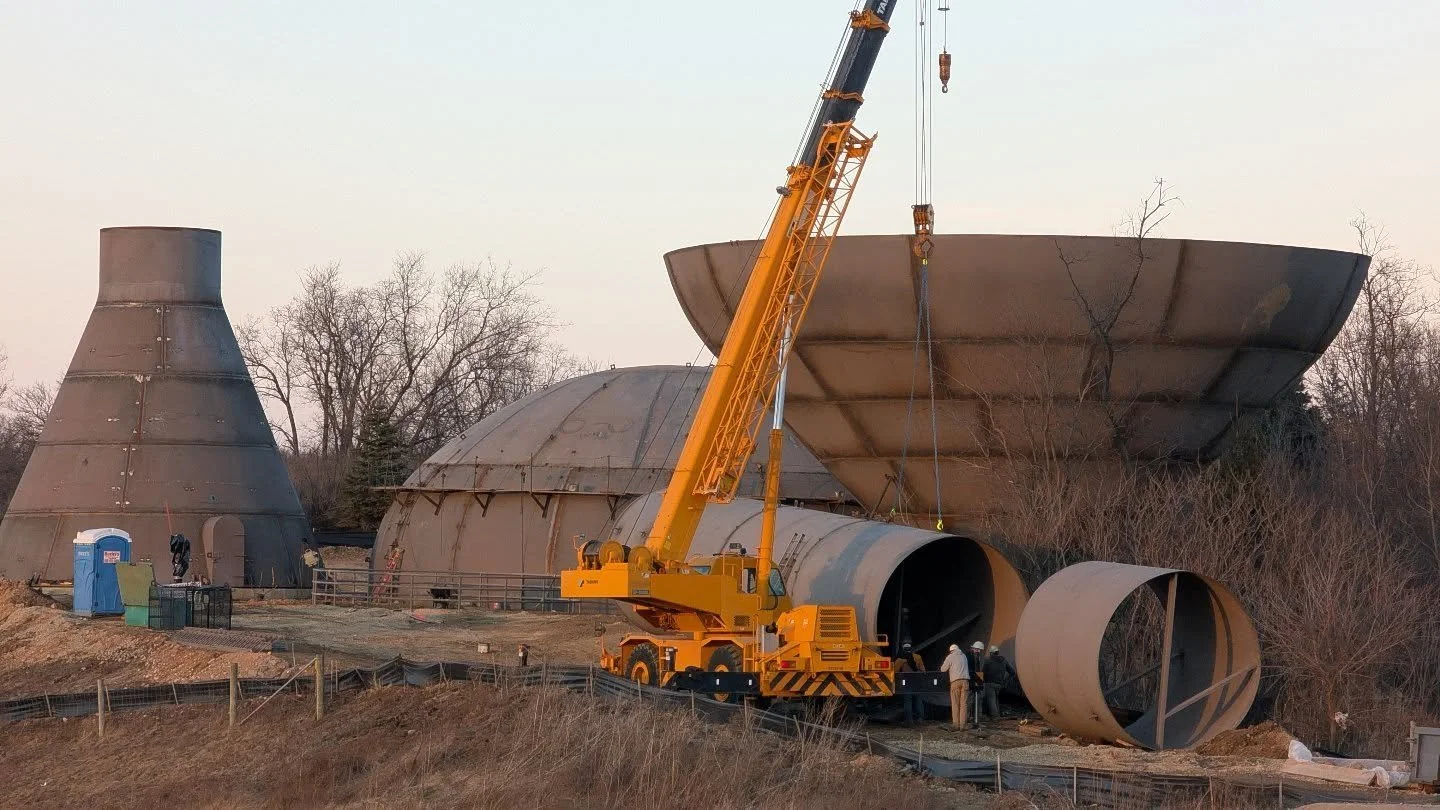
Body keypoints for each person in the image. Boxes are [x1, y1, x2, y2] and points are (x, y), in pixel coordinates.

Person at [982, 644, 1017, 720]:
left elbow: (983, 672)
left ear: (991, 653)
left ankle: (995, 716)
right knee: (995, 699)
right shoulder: (1004, 661)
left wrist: (984, 680)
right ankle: (997, 713)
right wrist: (1005, 680)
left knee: (991, 700)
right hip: (999, 684)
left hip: (990, 683)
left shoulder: (988, 661)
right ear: (998, 652)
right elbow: (1012, 672)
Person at [940, 642, 970, 728]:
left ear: (951, 651)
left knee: (955, 703)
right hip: (965, 681)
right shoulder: (964, 656)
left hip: (955, 682)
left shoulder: (950, 656)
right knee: (964, 704)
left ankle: (956, 724)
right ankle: (963, 725)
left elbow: (943, 669)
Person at [895, 640, 926, 725]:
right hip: (917, 681)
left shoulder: (900, 659)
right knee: (918, 700)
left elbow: (895, 671)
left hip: (907, 681)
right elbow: (923, 670)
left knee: (908, 701)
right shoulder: (918, 657)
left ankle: (909, 720)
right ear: (911, 648)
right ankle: (920, 719)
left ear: (903, 649)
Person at [967, 641, 986, 728]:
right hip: (970, 680)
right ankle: (968, 718)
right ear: (974, 648)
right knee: (969, 700)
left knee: (977, 699)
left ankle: (976, 718)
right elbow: (971, 670)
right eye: (978, 650)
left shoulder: (976, 656)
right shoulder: (969, 657)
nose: (979, 652)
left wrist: (979, 680)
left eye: (979, 650)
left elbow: (977, 670)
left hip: (975, 679)